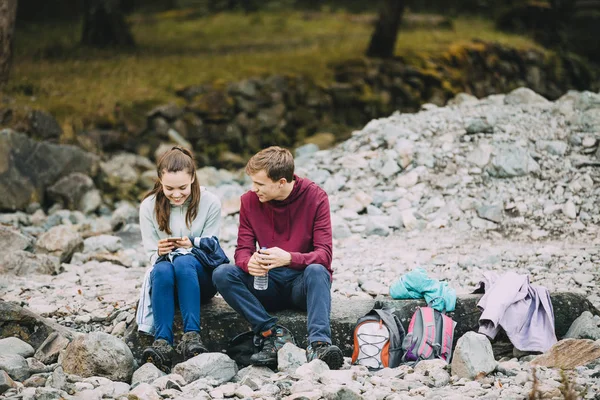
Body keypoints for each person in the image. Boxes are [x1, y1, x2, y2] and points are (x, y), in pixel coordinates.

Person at [212, 146, 343, 370]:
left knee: (318, 270)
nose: (254, 189)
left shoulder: (315, 197)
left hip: (301, 287)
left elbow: (324, 255)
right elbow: (242, 249)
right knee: (222, 273)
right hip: (265, 284)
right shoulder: (249, 201)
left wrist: (289, 258)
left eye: (260, 184)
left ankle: (319, 344)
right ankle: (271, 334)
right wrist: (248, 263)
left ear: (281, 182)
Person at [136, 146, 225, 373]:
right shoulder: (148, 206)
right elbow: (150, 255)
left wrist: (191, 244)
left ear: (193, 178)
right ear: (159, 181)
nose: (176, 194)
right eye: (169, 188)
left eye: (183, 188)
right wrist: (159, 251)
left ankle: (192, 335)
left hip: (199, 277)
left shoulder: (210, 202)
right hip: (167, 279)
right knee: (163, 270)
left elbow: (212, 248)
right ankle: (163, 342)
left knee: (184, 262)